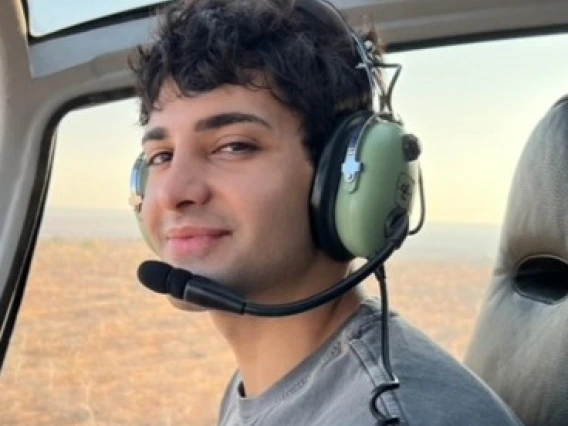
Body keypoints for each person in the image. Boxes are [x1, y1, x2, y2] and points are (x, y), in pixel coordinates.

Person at [128, 0, 524, 424]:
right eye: (160, 155)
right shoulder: (272, 383)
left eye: (234, 146)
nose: (172, 193)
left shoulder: (389, 416)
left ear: (345, 182)